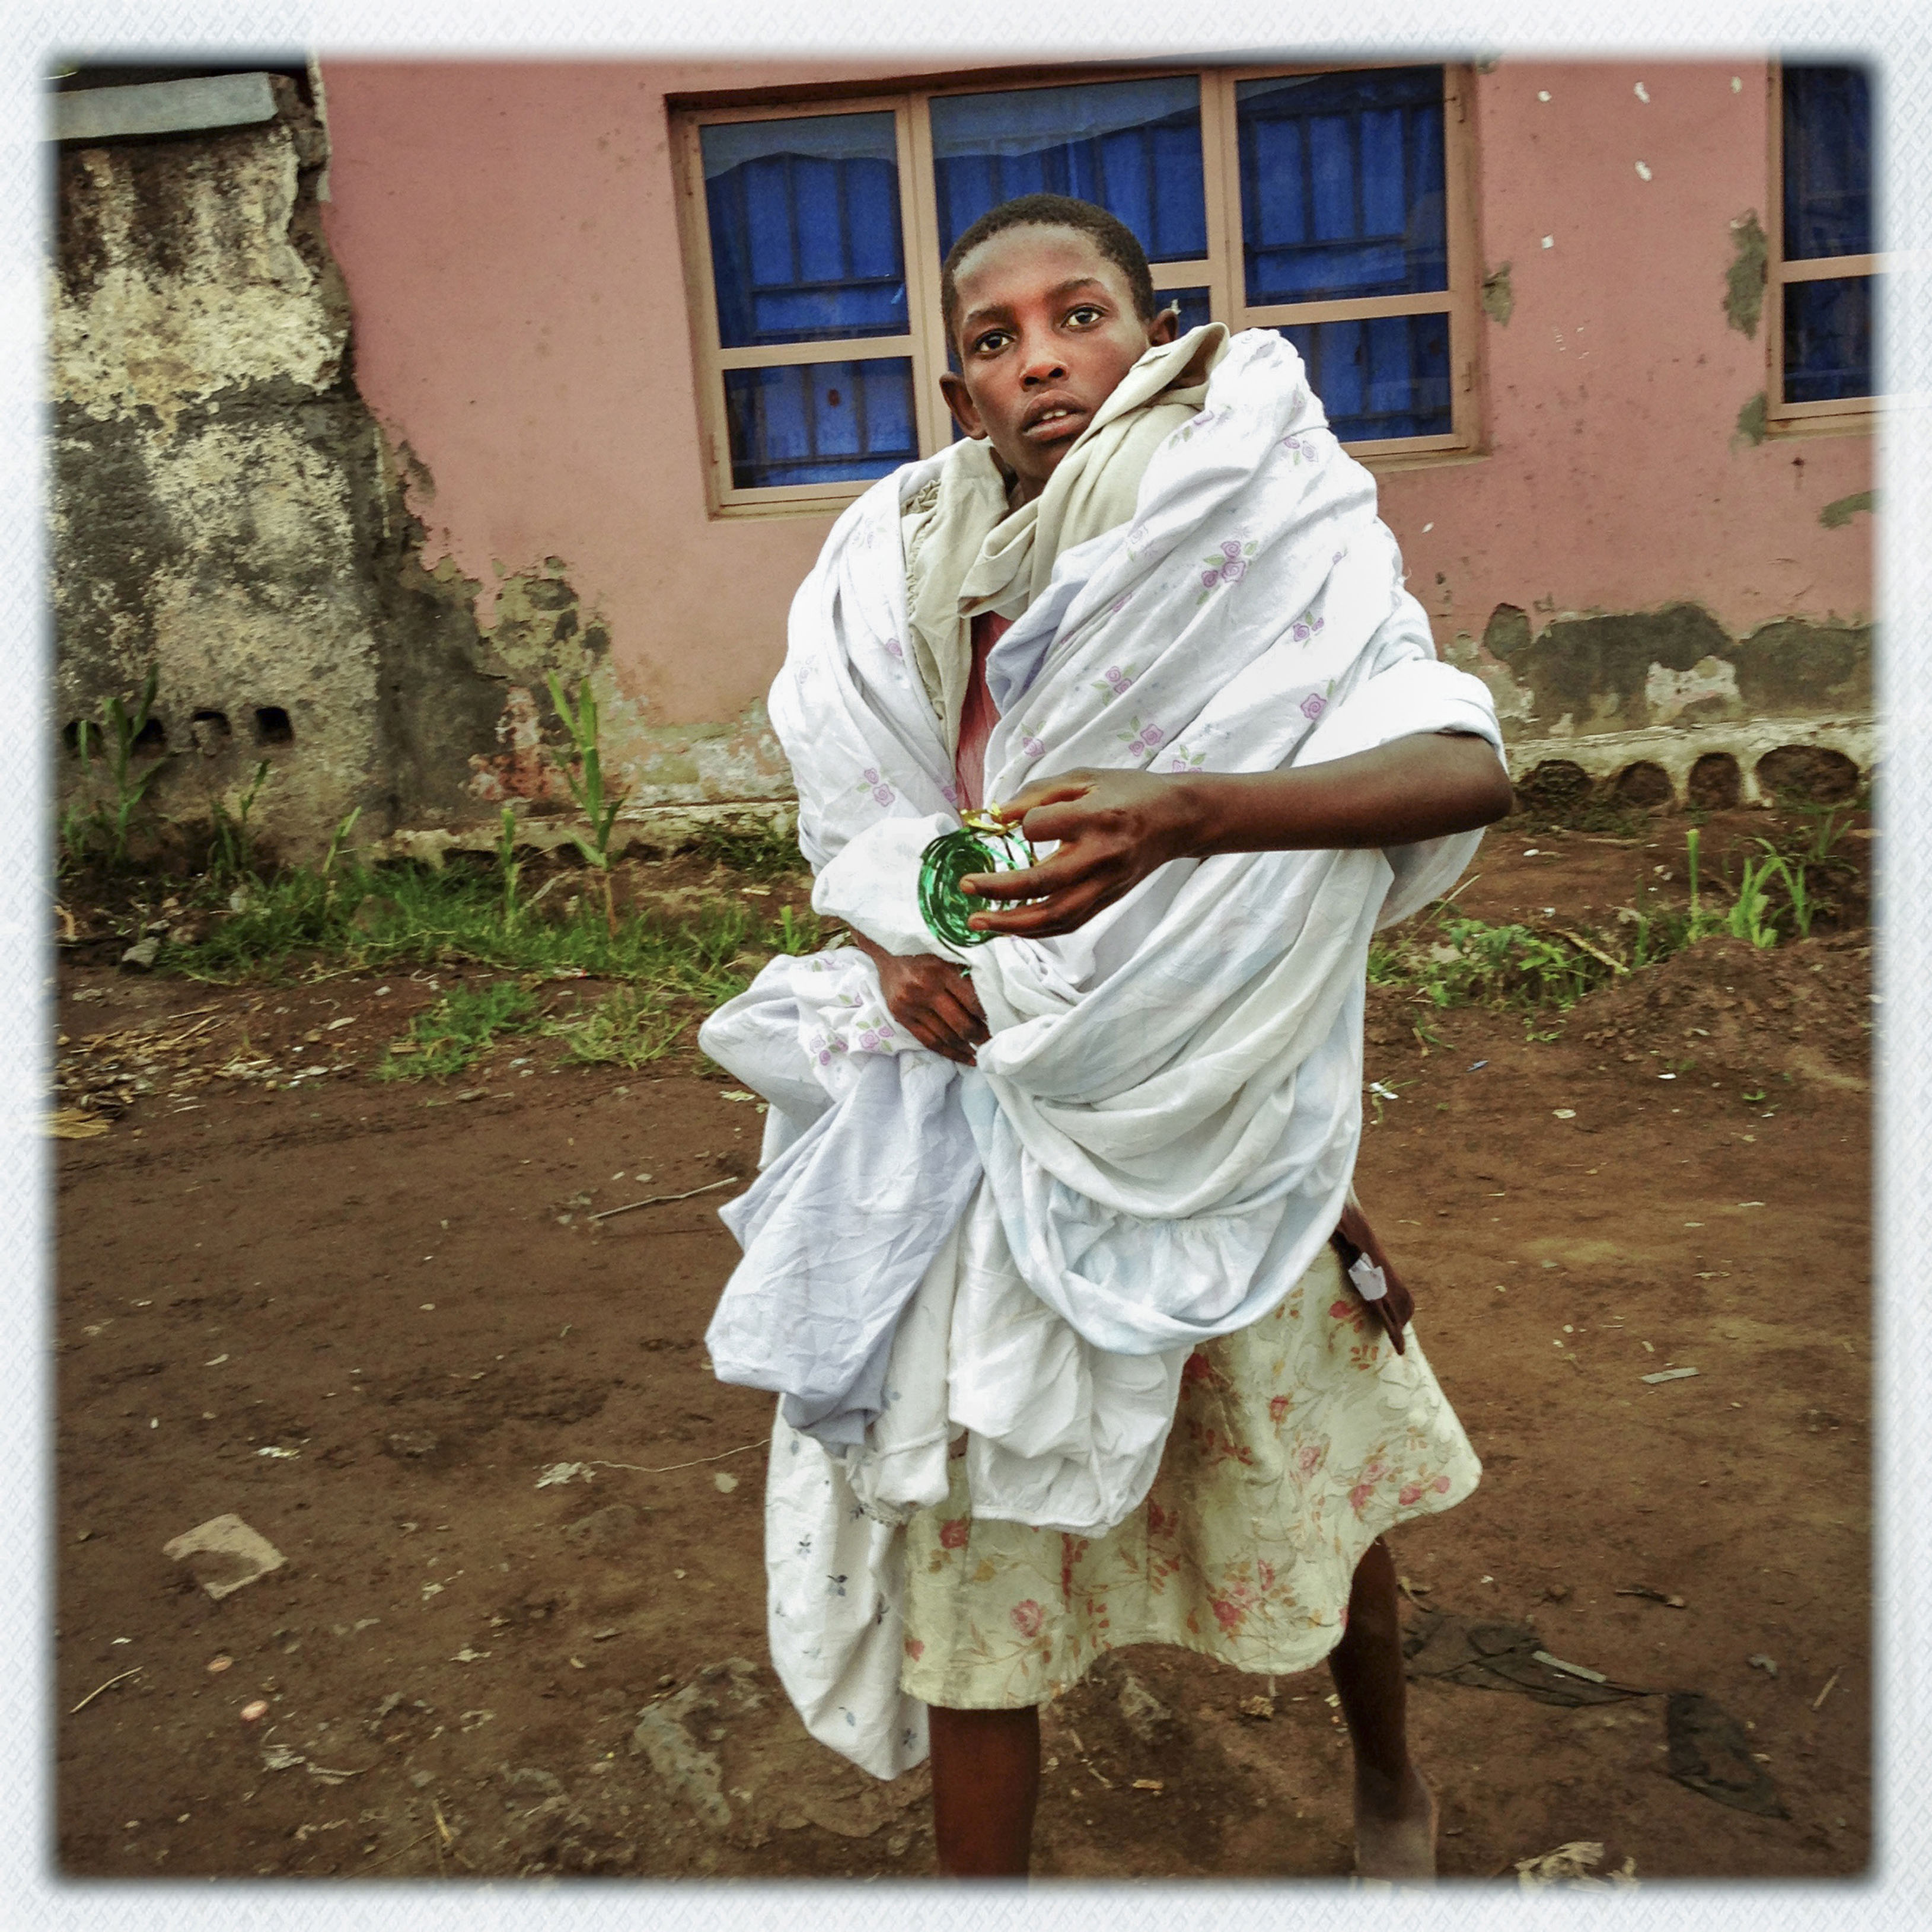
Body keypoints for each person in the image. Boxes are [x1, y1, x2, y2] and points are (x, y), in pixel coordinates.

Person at [699, 192, 1513, 1883]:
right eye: (994, 340)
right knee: (972, 1577)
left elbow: (1460, 767)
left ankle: (1390, 1785)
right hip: (978, 1146)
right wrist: (889, 946)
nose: (1042, 360)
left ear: (1155, 342)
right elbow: (868, 830)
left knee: (1315, 1485)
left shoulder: (1252, 532)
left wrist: (1189, 814)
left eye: (1080, 317)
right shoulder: (898, 571)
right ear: (959, 394)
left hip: (1203, 1118)